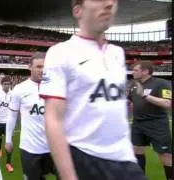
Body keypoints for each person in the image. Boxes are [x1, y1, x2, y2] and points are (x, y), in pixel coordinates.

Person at [38, 0, 147, 180]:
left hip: (124, 159)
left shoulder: (117, 53)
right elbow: (53, 119)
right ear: (78, 11)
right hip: (85, 159)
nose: (109, 3)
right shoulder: (61, 53)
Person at [5, 52, 59, 179]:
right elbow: (12, 116)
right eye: (39, 67)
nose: (42, 70)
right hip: (30, 149)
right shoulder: (19, 89)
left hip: (55, 148)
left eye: (45, 66)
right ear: (29, 67)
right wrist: (8, 139)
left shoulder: (56, 87)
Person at [129, 61, 172, 180]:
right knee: (137, 150)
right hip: (138, 123)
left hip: (157, 124)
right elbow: (132, 102)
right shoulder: (134, 85)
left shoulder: (161, 83)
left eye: (136, 70)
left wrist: (144, 95)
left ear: (145, 71)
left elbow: (167, 103)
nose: (133, 72)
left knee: (165, 155)